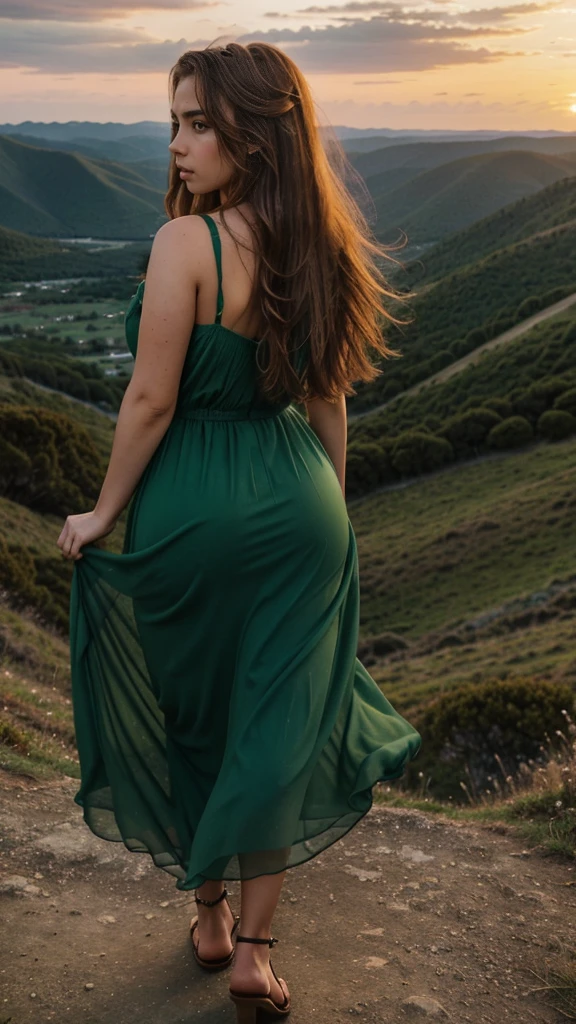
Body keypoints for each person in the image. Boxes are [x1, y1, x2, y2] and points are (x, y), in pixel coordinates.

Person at [56, 40, 422, 1022]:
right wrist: (335, 514)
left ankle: (212, 919)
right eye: (175, 121)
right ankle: (255, 953)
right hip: (302, 501)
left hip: (197, 504)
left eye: (196, 123)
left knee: (198, 712)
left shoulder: (189, 246)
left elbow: (148, 400)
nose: (175, 144)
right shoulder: (324, 247)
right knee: (279, 720)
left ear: (254, 136)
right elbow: (329, 402)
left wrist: (102, 511)